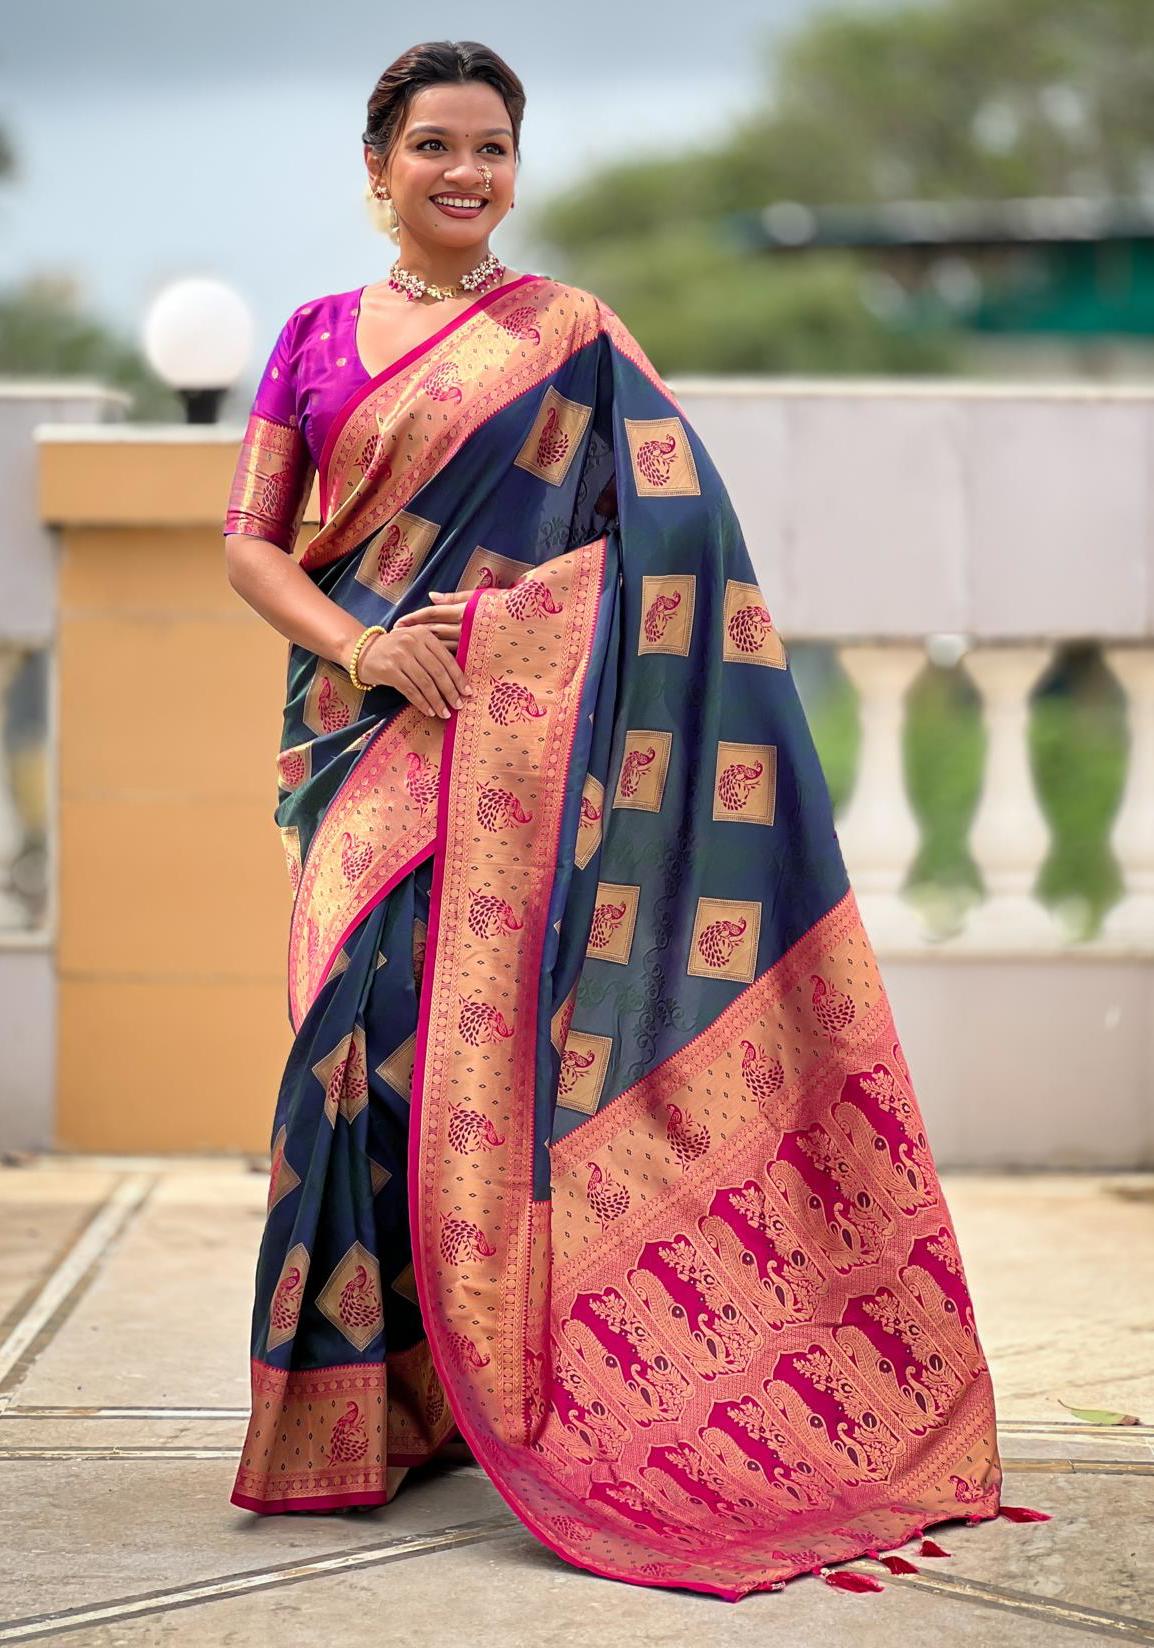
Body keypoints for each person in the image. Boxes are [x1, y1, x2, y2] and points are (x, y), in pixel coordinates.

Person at [221, 38, 1048, 1602]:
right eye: (433, 145)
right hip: (361, 752)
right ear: (377, 166)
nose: (464, 172)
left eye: (490, 147)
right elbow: (251, 540)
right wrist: (364, 648)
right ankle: (361, 1415)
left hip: (513, 765)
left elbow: (677, 552)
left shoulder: (574, 340)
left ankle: (474, 1386)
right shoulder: (313, 340)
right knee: (343, 1054)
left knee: (456, 1071)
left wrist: (512, 632)